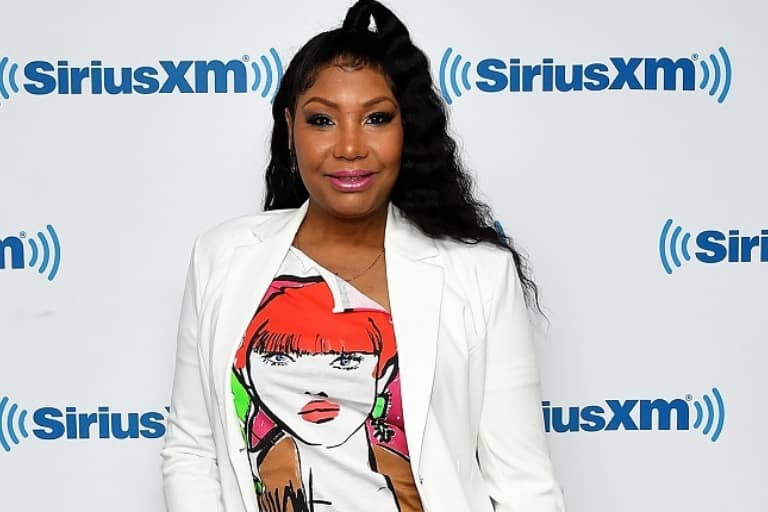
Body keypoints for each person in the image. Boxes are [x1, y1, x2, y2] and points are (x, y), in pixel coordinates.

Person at [161, 1, 566, 511]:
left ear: (406, 130)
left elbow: (523, 485)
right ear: (290, 127)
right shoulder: (222, 257)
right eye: (322, 120)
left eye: (376, 118)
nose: (350, 147)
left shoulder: (480, 272)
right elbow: (192, 450)